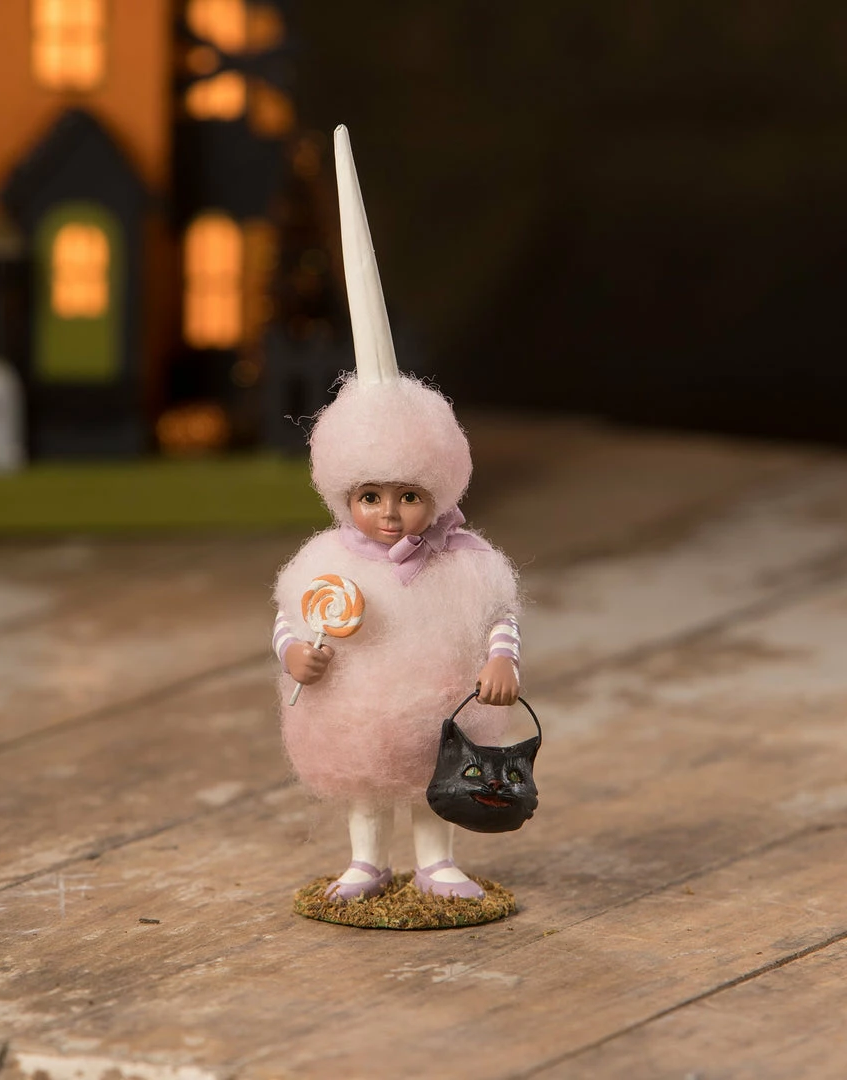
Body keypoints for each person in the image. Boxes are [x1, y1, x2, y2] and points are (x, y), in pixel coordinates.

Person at [272, 127, 521, 902]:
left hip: (440, 705)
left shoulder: (466, 562)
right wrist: (295, 655)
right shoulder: (323, 565)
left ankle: (436, 862)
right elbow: (290, 620)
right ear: (344, 495)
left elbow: (498, 616)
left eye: (408, 496)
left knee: (434, 775)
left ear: (437, 490)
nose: (389, 515)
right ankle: (366, 861)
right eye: (370, 497)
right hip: (357, 709)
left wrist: (502, 659)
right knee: (366, 778)